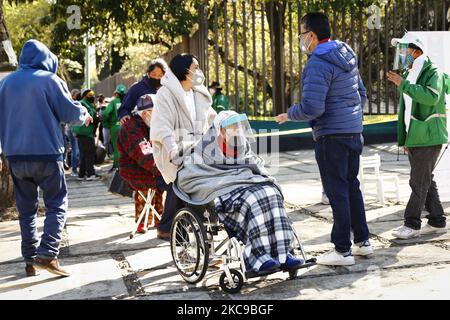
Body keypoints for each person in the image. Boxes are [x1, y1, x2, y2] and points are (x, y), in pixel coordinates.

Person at [275, 12, 371, 266]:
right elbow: (361, 94)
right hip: (353, 132)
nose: (301, 41)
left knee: (337, 190)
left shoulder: (317, 62)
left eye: (302, 36)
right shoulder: (346, 55)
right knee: (351, 186)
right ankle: (363, 242)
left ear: (312, 35)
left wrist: (289, 114)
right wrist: (349, 115)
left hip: (331, 136)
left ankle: (342, 251)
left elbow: (313, 107)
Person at [0, 39, 93, 277]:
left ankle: (30, 260)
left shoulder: (6, 83)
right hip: (46, 154)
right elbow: (68, 112)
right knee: (57, 203)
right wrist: (84, 115)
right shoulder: (50, 80)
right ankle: (48, 254)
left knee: (26, 210)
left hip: (15, 156)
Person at [173, 111, 304, 274]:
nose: (238, 130)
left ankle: (285, 254)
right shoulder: (204, 149)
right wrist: (222, 183)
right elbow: (189, 176)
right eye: (233, 126)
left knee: (272, 193)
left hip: (244, 182)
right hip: (221, 189)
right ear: (220, 130)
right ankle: (258, 258)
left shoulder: (241, 145)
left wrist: (264, 177)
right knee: (252, 199)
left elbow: (254, 164)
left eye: (239, 126)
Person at [387, 32, 448, 239]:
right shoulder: (412, 72)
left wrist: (402, 84)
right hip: (418, 137)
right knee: (425, 179)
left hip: (429, 136)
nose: (402, 53)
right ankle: (438, 221)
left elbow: (431, 97)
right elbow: (408, 109)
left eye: (404, 49)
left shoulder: (433, 72)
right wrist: (407, 139)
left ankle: (412, 224)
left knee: (418, 182)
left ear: (416, 50)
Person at [150, 53, 217, 238]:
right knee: (191, 193)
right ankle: (193, 242)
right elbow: (162, 127)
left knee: (196, 195)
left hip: (200, 152)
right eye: (195, 68)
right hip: (179, 153)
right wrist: (173, 150)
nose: (199, 72)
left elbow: (211, 118)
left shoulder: (198, 92)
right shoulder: (166, 94)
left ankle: (192, 242)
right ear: (184, 71)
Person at [118, 94, 175, 240]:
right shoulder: (130, 128)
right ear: (145, 113)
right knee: (175, 185)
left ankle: (172, 222)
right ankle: (166, 227)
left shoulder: (150, 124)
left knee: (183, 180)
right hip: (136, 172)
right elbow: (145, 157)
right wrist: (169, 170)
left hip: (152, 169)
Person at [118, 59, 168, 125]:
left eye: (160, 76)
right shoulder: (137, 88)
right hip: (141, 130)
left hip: (163, 129)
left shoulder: (168, 89)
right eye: (154, 74)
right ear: (148, 73)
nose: (156, 78)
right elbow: (124, 108)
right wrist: (124, 115)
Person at [72, 89, 101, 181]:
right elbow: (90, 116)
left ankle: (82, 173)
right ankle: (90, 174)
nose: (92, 96)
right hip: (84, 131)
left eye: (92, 94)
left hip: (85, 131)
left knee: (84, 154)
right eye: (89, 95)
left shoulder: (86, 103)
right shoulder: (82, 103)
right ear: (84, 95)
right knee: (89, 153)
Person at [102, 84, 127, 172]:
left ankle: (117, 166)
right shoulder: (128, 101)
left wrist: (107, 122)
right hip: (126, 126)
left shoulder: (113, 102)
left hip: (115, 126)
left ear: (116, 92)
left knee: (117, 148)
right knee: (126, 147)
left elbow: (105, 113)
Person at [68, 89, 81, 177]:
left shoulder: (77, 103)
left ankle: (77, 168)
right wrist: (73, 130)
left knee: (77, 151)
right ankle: (74, 169)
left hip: (77, 130)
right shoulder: (71, 104)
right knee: (75, 151)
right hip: (73, 130)